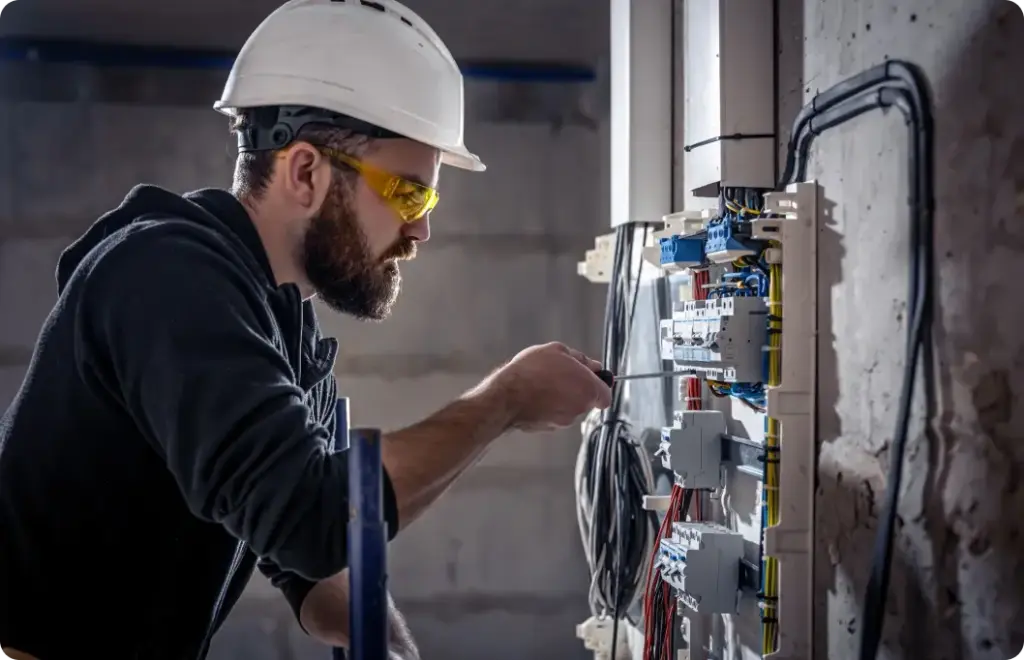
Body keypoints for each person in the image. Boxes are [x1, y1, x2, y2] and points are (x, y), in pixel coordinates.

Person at [0, 1, 612, 658]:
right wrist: (505, 400)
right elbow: (310, 518)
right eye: (408, 194)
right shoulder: (165, 279)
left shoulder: (278, 323)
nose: (422, 229)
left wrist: (384, 640)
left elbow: (306, 557)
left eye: (428, 201)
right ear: (305, 172)